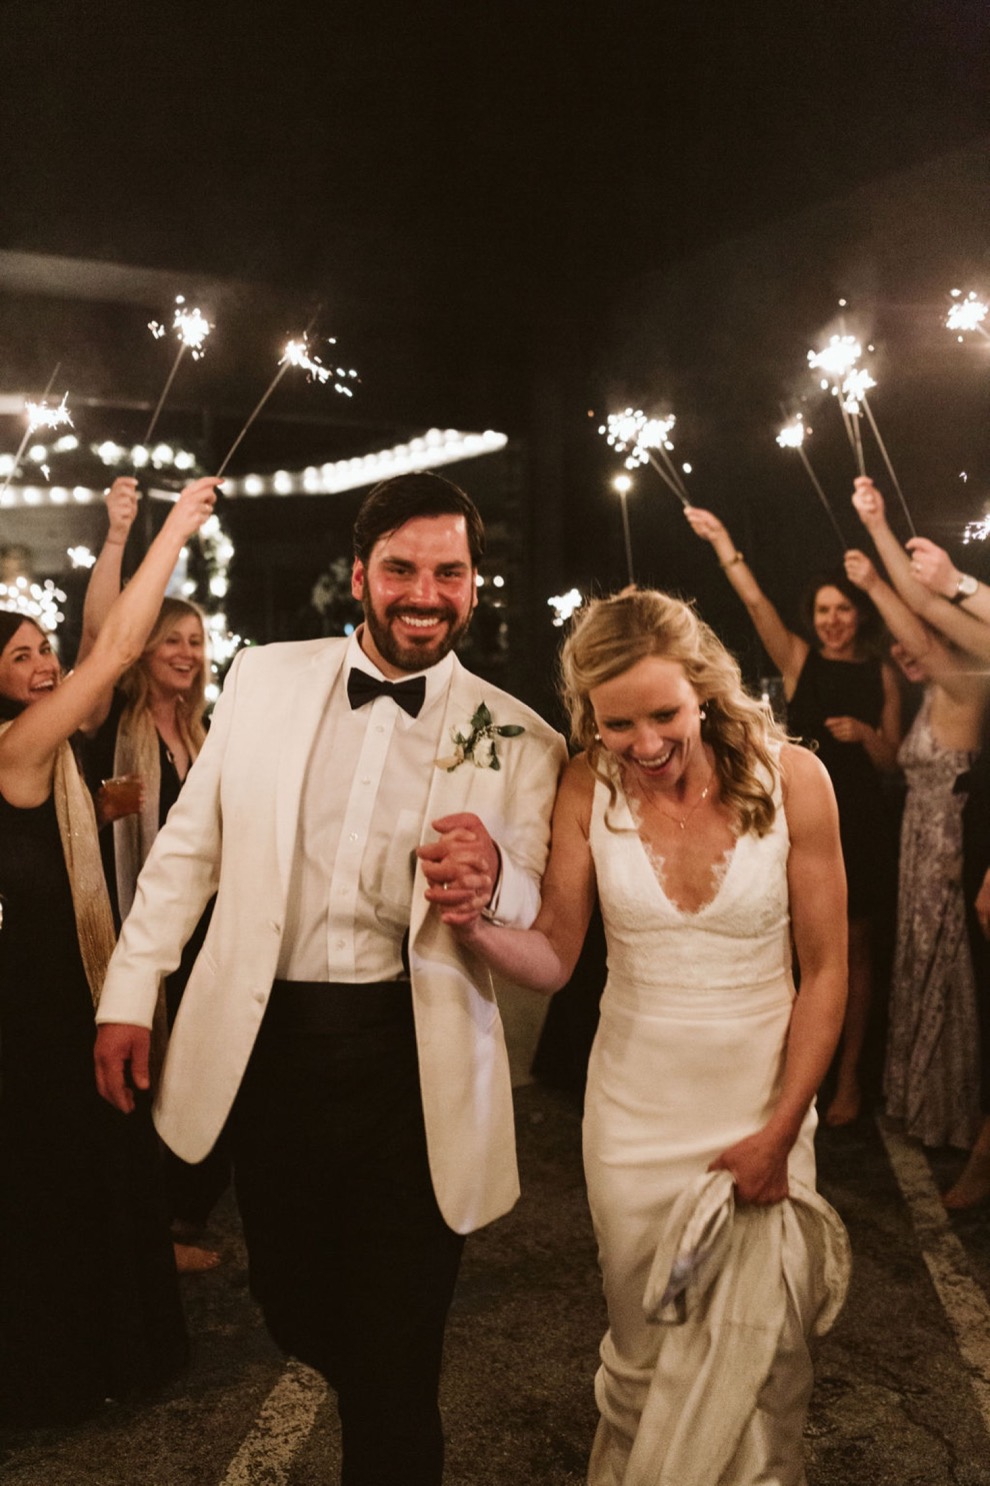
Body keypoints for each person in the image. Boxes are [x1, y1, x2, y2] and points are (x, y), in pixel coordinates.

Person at [93, 471, 567, 1486]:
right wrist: (131, 992)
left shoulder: (523, 737)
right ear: (362, 574)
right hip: (275, 1049)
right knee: (293, 1301)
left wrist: (497, 880)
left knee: (397, 1367)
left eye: (449, 571)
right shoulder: (263, 677)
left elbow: (536, 903)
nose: (424, 593)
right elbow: (188, 852)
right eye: (401, 568)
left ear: (476, 584)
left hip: (416, 1063)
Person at [435, 587, 849, 1484]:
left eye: (663, 714)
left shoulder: (798, 780)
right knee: (646, 1348)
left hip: (762, 1108)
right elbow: (552, 954)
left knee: (765, 1360)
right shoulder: (587, 784)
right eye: (617, 724)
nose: (646, 745)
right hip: (631, 1122)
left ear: (703, 686)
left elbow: (827, 975)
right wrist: (473, 925)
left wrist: (779, 1134)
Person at [0, 475, 218, 1427]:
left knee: (95, 1166)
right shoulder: (17, 748)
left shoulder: (40, 740)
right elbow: (120, 647)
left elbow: (100, 644)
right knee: (55, 1179)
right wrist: (176, 525)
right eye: (22, 655)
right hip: (34, 994)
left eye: (45, 650)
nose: (49, 665)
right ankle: (59, 1367)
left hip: (69, 978)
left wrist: (118, 530)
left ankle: (109, 1346)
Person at [685, 505, 901, 1127]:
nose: (833, 620)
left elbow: (892, 758)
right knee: (788, 945)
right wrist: (724, 538)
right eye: (824, 610)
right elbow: (755, 604)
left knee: (852, 953)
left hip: (859, 818)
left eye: (844, 609)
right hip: (793, 815)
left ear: (859, 613)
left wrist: (864, 732)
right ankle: (788, 1073)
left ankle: (850, 1081)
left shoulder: (880, 670)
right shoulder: (799, 659)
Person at [78, 480, 225, 1271]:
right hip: (124, 922)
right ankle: (154, 1230)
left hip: (199, 926)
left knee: (197, 1060)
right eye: (171, 639)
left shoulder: (204, 732)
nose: (186, 653)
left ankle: (180, 1211)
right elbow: (104, 633)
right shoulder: (110, 728)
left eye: (196, 641)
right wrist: (120, 536)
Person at [850, 476, 990, 1206]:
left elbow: (926, 614)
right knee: (921, 970)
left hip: (948, 848)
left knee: (947, 977)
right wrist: (875, 524)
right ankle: (926, 1106)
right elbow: (927, 607)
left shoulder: (968, 682)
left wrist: (876, 578)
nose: (908, 652)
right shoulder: (937, 689)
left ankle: (957, 1121)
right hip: (919, 845)